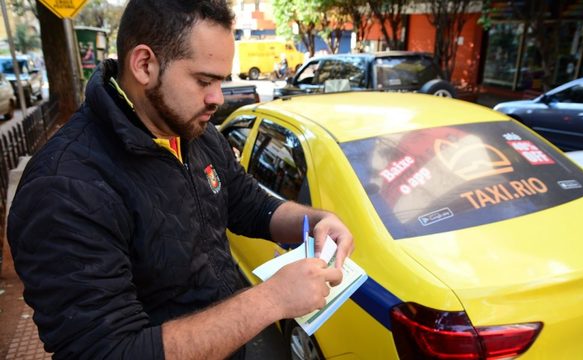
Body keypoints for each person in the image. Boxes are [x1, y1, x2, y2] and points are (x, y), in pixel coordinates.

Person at [7, 0, 354, 359]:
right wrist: (271, 300)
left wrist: (314, 221)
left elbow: (246, 201)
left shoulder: (192, 130)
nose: (217, 98)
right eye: (204, 80)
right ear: (144, 65)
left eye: (221, 80)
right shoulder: (62, 188)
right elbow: (108, 351)